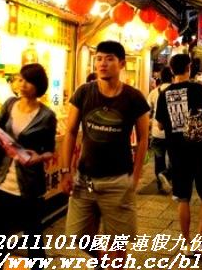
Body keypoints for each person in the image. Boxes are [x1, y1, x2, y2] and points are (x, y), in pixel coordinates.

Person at [61, 41, 150, 264]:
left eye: (109, 59)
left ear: (122, 64)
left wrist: (136, 176)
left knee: (118, 245)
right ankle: (103, 260)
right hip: (85, 180)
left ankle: (111, 263)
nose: (102, 63)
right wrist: (65, 171)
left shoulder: (134, 97)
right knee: (78, 237)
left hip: (118, 180)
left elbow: (143, 139)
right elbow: (70, 132)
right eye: (99, 58)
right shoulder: (84, 92)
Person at [0, 63, 57, 267]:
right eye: (20, 79)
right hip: (3, 181)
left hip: (30, 185)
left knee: (33, 238)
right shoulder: (9, 104)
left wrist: (38, 157)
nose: (22, 84)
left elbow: (51, 151)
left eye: (28, 81)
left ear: (38, 85)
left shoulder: (47, 116)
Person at [156, 53, 202, 250]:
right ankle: (200, 241)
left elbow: (160, 125)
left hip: (177, 152)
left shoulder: (164, 93)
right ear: (189, 68)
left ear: (171, 70)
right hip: (201, 149)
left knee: (183, 198)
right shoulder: (198, 89)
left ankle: (187, 244)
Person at [146, 66, 173, 194]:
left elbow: (147, 111)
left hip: (157, 132)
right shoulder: (176, 91)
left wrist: (149, 124)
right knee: (174, 159)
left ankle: (161, 187)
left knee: (159, 160)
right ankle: (170, 179)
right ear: (172, 77)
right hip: (173, 133)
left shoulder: (154, 92)